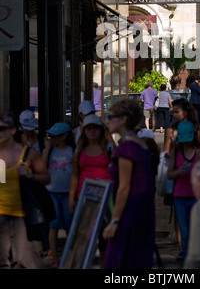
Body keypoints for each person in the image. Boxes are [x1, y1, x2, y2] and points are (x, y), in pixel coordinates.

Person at [102, 99, 155, 269]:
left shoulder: (126, 148)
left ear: (124, 119)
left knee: (120, 261)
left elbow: (125, 187)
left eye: (111, 116)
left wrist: (115, 221)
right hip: (143, 210)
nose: (107, 120)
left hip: (128, 212)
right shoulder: (140, 144)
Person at [0, 111, 50, 269]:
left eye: (2, 128)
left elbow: (46, 178)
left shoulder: (29, 154)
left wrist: (30, 175)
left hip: (24, 217)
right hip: (2, 217)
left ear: (13, 130)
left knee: (27, 262)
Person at [69, 114, 115, 266]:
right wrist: (71, 198)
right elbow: (75, 175)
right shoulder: (79, 149)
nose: (92, 131)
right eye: (89, 128)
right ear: (84, 130)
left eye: (96, 128)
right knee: (84, 236)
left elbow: (117, 167)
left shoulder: (108, 146)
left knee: (104, 236)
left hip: (106, 196)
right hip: (85, 196)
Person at [167, 120, 200, 261]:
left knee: (197, 228)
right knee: (184, 230)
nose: (186, 143)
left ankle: (197, 255)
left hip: (197, 195)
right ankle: (187, 256)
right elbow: (169, 175)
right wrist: (179, 171)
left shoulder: (199, 152)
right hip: (180, 196)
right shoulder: (176, 152)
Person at [42, 122, 75, 269]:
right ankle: (55, 256)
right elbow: (42, 167)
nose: (51, 139)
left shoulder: (71, 151)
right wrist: (47, 148)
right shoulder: (49, 151)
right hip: (52, 192)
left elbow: (75, 173)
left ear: (63, 137)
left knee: (69, 225)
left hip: (67, 192)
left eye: (54, 136)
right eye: (50, 136)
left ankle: (70, 255)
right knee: (53, 225)